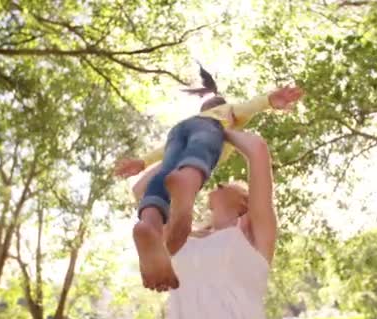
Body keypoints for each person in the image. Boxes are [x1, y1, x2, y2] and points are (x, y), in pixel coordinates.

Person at [115, 65, 303, 290]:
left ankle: (150, 223)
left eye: (230, 184)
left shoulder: (248, 231)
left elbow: (163, 160)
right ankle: (188, 181)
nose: (219, 182)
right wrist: (264, 104)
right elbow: (247, 108)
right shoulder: (223, 117)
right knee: (199, 154)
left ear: (246, 204)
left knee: (165, 174)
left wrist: (145, 162)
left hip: (176, 134)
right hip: (209, 131)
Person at [132, 129, 278, 319]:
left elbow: (257, 149)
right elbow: (141, 190)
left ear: (244, 202)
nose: (216, 184)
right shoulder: (181, 236)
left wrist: (215, 128)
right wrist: (184, 152)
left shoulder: (254, 233)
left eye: (224, 185)